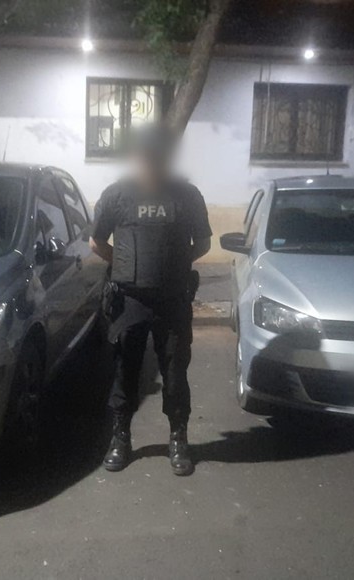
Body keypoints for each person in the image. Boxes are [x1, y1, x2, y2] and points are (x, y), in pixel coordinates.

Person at [89, 125, 212, 476]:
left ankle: (178, 438)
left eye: (157, 157)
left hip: (172, 300)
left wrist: (176, 265)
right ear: (136, 157)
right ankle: (120, 438)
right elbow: (96, 242)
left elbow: (203, 243)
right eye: (145, 157)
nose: (151, 163)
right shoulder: (116, 195)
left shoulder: (187, 195)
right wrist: (124, 265)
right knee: (124, 370)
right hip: (129, 300)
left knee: (174, 371)